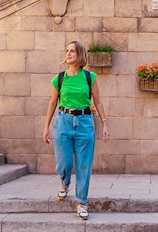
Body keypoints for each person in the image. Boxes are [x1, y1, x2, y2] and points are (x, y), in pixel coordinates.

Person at [42, 40, 109, 220]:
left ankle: (81, 202)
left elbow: (98, 101)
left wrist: (104, 124)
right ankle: (65, 183)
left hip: (85, 122)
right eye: (67, 50)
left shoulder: (90, 77)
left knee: (84, 165)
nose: (68, 53)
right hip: (63, 121)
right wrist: (46, 127)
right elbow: (52, 103)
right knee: (63, 163)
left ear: (80, 54)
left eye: (72, 51)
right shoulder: (59, 78)